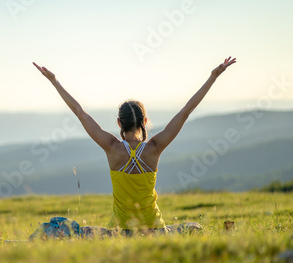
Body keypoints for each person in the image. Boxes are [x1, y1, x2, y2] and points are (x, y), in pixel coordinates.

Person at [33, 57, 237, 234]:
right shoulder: (155, 148)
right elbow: (186, 111)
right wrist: (213, 77)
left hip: (119, 233)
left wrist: (54, 81)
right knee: (194, 227)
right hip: (156, 231)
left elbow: (79, 111)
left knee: (72, 230)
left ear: (119, 123)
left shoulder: (112, 147)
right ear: (145, 122)